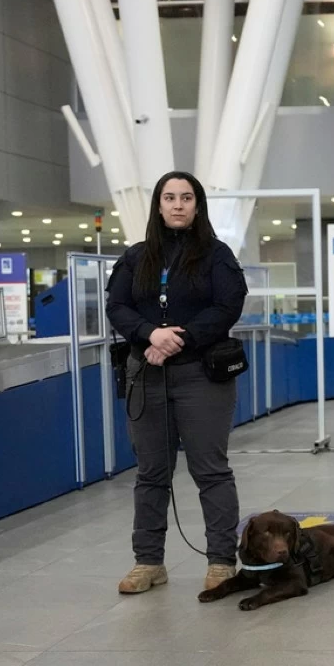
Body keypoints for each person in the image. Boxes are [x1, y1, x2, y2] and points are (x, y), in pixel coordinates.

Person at [106, 170, 248, 595]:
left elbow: (228, 305)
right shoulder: (136, 257)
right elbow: (118, 305)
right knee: (151, 473)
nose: (178, 205)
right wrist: (150, 335)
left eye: (187, 197)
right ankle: (148, 561)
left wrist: (175, 340)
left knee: (211, 470)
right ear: (158, 205)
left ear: (197, 205)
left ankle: (222, 561)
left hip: (201, 377)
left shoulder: (216, 255)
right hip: (145, 376)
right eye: (169, 197)